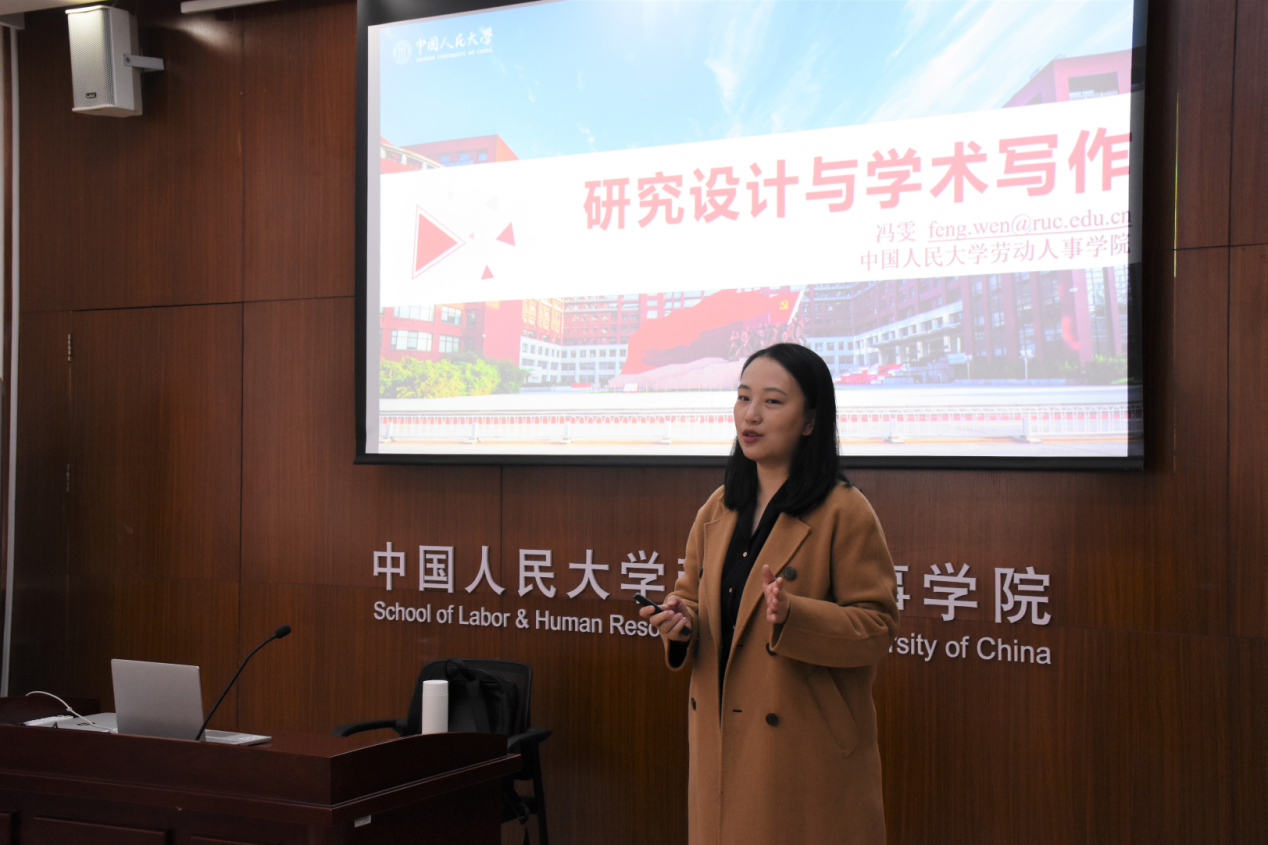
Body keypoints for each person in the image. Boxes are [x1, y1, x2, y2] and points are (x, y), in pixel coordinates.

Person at [640, 343, 899, 845]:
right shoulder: (718, 508)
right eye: (743, 397)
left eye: (772, 401)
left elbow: (878, 626)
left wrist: (794, 616)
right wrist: (679, 622)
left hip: (803, 753)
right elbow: (691, 598)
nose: (751, 415)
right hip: (721, 745)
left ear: (810, 421)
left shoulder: (845, 510)